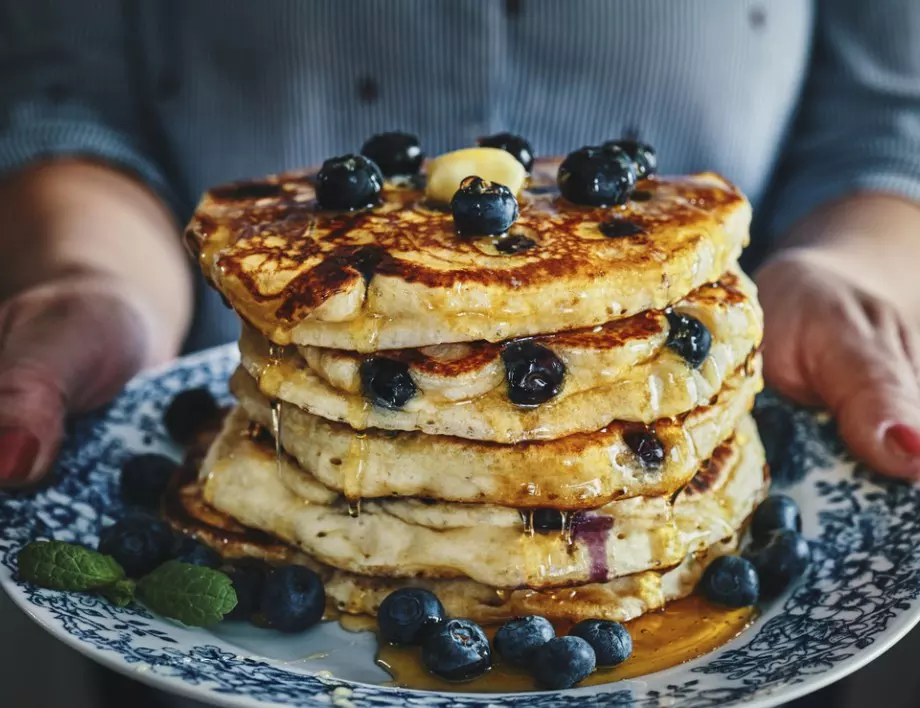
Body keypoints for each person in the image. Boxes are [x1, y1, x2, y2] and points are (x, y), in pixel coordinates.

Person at [1, 4, 919, 487]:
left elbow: (887, 122)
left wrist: (840, 271)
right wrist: (94, 280)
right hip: (269, 417)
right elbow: (68, 105)